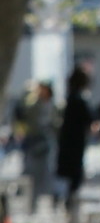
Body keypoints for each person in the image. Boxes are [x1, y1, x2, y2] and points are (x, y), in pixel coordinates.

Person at [55, 65, 95, 223]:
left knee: (69, 176)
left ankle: (68, 204)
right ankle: (71, 207)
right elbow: (91, 119)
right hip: (76, 143)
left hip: (67, 142)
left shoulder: (70, 98)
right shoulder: (79, 99)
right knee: (74, 176)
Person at [19, 81, 58, 215]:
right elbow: (28, 117)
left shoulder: (53, 105)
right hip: (35, 143)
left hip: (47, 143)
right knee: (32, 175)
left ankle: (53, 203)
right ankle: (32, 205)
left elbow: (54, 123)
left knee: (48, 175)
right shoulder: (35, 104)